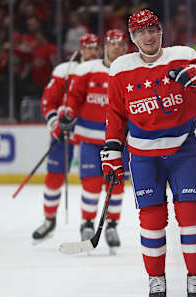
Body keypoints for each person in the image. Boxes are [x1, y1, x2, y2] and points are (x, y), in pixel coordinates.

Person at [101, 9, 196, 297]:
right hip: (142, 157)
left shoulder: (184, 56)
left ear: (161, 30)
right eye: (140, 33)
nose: (148, 37)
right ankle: (156, 277)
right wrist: (113, 153)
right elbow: (115, 115)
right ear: (132, 38)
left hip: (183, 151)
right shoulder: (121, 68)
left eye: (152, 30)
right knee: (152, 221)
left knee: (191, 215)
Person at [32, 33, 101, 243]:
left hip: (91, 135)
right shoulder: (64, 71)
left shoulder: (102, 70)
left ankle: (88, 223)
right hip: (65, 135)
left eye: (95, 47)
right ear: (80, 49)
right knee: (54, 177)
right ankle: (49, 220)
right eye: (88, 47)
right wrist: (55, 123)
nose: (92, 51)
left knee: (93, 180)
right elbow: (48, 101)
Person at [64, 29, 128, 250]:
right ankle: (87, 223)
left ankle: (111, 225)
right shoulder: (86, 69)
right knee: (91, 184)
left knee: (116, 185)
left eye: (121, 44)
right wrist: (67, 114)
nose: (117, 47)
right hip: (91, 137)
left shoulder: (130, 69)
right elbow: (74, 97)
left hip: (119, 139)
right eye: (112, 43)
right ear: (104, 47)